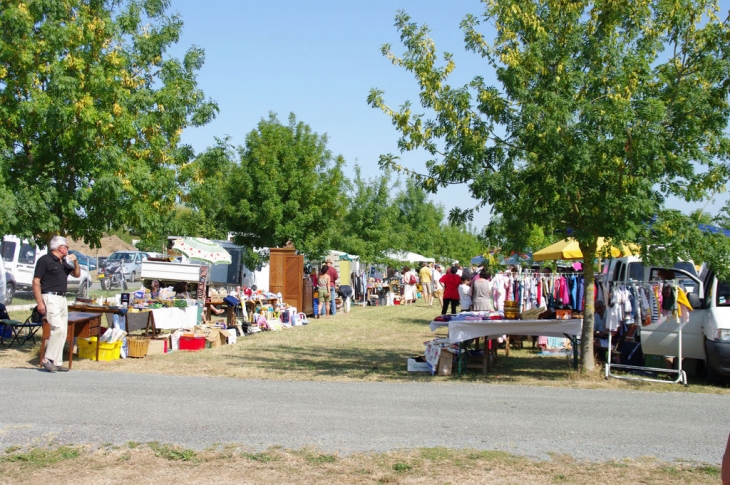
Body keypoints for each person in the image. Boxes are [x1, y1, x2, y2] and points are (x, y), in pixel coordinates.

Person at [33, 235, 81, 373]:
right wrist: (39, 303)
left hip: (62, 298)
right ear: (60, 247)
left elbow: (76, 274)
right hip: (50, 296)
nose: (68, 248)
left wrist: (76, 262)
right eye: (66, 246)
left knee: (63, 331)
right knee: (57, 328)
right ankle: (47, 359)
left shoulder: (63, 262)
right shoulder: (45, 260)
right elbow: (36, 282)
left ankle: (57, 361)